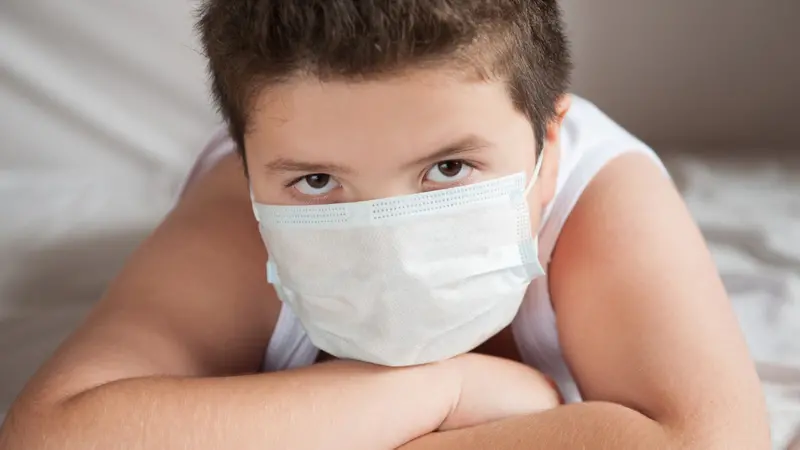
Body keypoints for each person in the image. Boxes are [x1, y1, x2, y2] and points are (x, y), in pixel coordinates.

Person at [0, 1, 770, 449]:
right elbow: (54, 437)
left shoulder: (596, 195)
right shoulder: (238, 214)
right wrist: (443, 390)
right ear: (248, 168)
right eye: (317, 181)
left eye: (448, 169)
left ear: (550, 139)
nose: (387, 235)